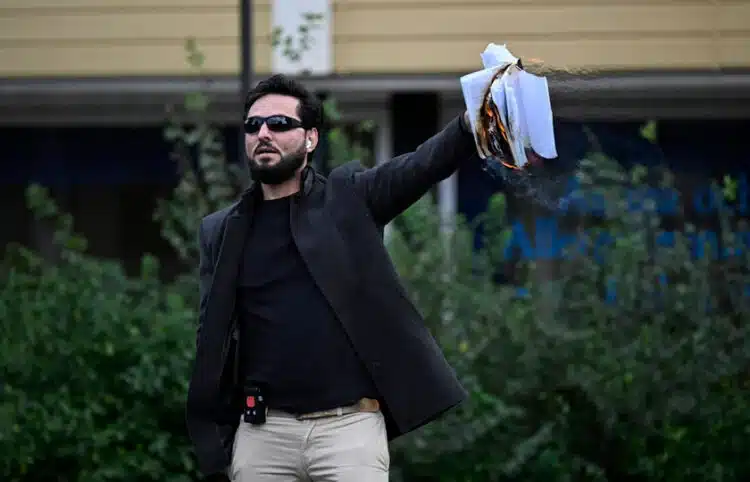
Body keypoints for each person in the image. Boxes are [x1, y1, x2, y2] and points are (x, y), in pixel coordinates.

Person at [185, 74, 476, 482]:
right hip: (263, 434)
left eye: (279, 124)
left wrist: (470, 124)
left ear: (310, 139)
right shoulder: (221, 230)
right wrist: (213, 435)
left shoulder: (348, 199)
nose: (263, 134)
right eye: (253, 125)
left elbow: (421, 165)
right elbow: (210, 337)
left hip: (349, 430)